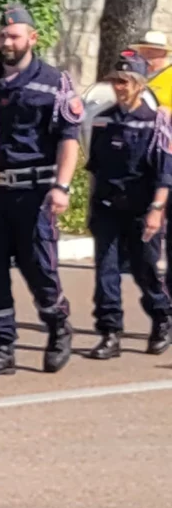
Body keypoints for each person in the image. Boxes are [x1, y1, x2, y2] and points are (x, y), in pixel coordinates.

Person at [0, 5, 83, 375]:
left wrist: (62, 187)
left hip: (34, 193)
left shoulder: (54, 82)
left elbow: (69, 139)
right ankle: (2, 347)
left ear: (32, 39)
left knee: (39, 267)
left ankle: (57, 327)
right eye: (3, 35)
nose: (7, 42)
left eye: (15, 36)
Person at [87, 48, 172, 358]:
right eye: (116, 81)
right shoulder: (102, 121)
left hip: (141, 209)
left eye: (125, 81)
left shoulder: (155, 123)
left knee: (144, 269)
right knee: (106, 272)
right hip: (108, 207)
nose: (119, 87)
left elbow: (164, 171)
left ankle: (161, 318)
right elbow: (95, 167)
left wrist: (156, 210)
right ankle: (110, 333)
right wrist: (92, 208)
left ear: (138, 83)